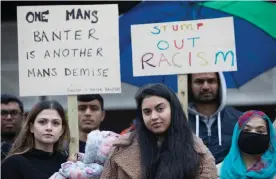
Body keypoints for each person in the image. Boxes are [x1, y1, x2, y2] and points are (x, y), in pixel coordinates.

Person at [101, 83, 217, 179]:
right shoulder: (121, 149)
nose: (154, 117)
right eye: (147, 112)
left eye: (160, 109)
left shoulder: (198, 153)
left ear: (173, 109)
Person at [1, 100, 70, 179]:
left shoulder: (67, 165)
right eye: (42, 122)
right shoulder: (14, 163)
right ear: (31, 127)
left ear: (62, 130)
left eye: (55, 123)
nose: (49, 128)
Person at [188, 72, 242, 164]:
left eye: (211, 81)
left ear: (220, 84)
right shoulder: (178, 120)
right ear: (189, 85)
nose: (205, 87)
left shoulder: (239, 120)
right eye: (199, 81)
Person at [220, 110, 276, 179]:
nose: (253, 134)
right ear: (237, 134)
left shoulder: (274, 170)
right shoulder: (219, 171)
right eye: (247, 130)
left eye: (260, 131)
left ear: (270, 137)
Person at [1, 94, 24, 160]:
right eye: (3, 113)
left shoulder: (34, 145)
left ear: (22, 117)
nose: (9, 117)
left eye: (14, 112)